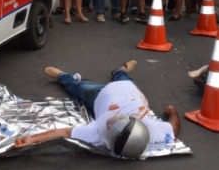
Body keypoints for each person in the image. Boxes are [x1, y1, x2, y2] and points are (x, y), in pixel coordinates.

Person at [15, 60, 180, 159]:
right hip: (127, 87)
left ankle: (61, 75)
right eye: (115, 122)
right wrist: (172, 112)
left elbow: (63, 133)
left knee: (77, 86)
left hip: (98, 95)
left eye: (110, 128)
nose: (108, 124)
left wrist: (32, 139)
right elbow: (174, 127)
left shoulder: (97, 133)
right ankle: (121, 70)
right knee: (122, 76)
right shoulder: (151, 130)